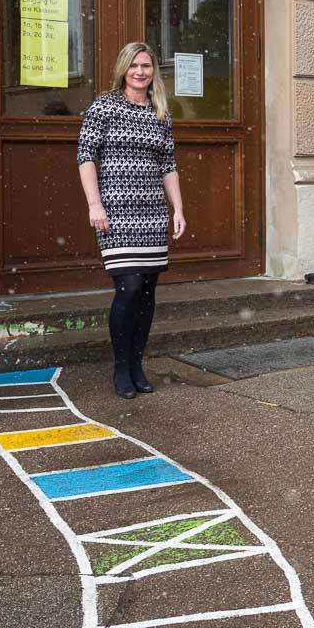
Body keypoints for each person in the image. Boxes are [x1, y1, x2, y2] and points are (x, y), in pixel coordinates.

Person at [77, 42, 187, 401]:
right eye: (134, 65)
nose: (140, 72)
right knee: (130, 287)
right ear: (123, 69)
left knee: (148, 291)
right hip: (115, 213)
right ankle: (121, 366)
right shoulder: (104, 106)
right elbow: (85, 156)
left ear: (154, 71)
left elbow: (168, 165)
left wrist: (178, 209)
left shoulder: (160, 112)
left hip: (152, 212)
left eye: (146, 66)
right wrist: (95, 204)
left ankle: (138, 365)